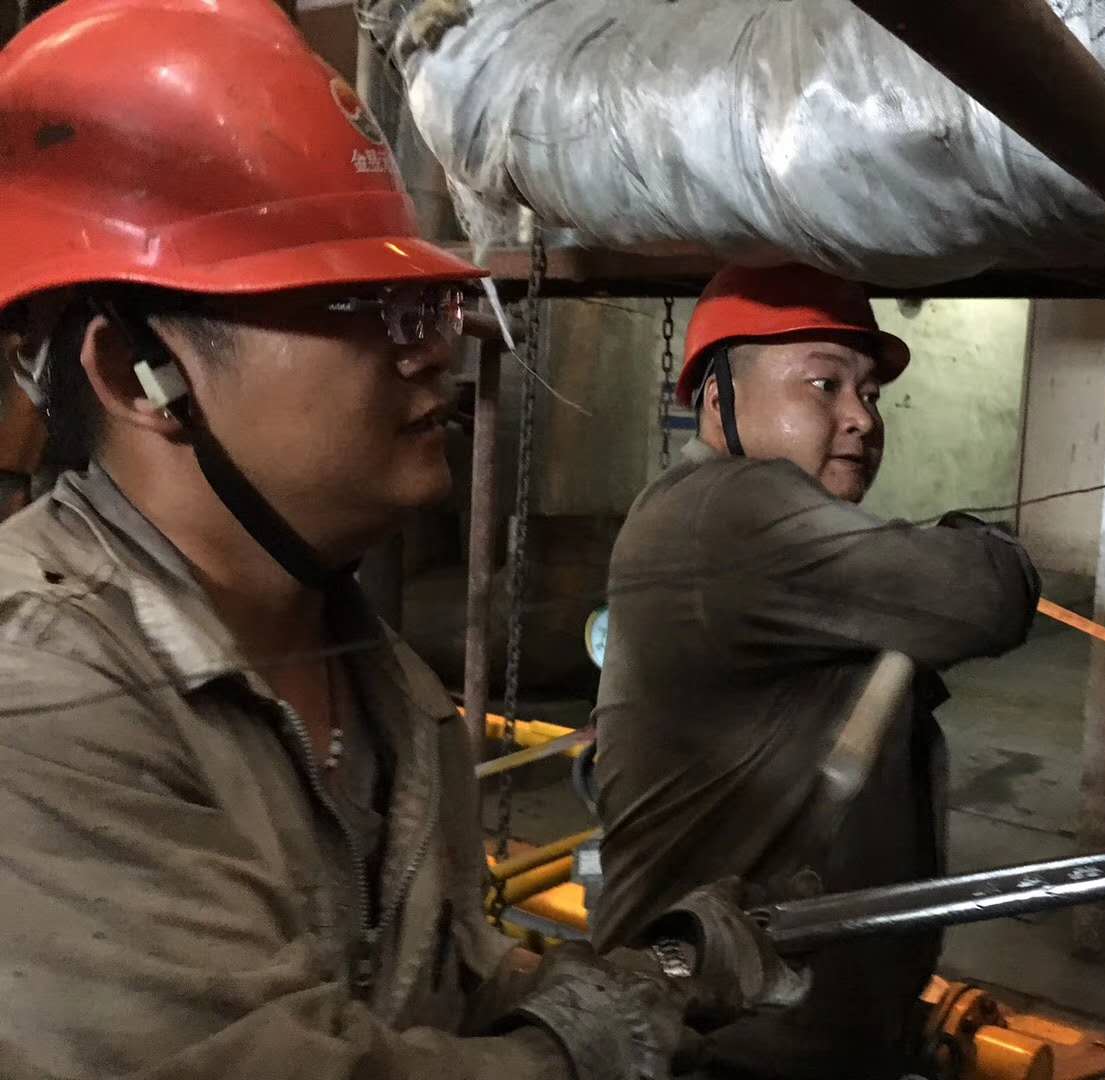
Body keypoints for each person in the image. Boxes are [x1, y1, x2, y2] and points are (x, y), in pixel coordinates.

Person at [0, 2, 785, 1077]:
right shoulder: (38, 695)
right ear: (137, 375)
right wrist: (585, 1048)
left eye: (423, 305)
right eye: (358, 303)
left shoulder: (384, 685)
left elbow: (437, 990)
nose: (432, 353)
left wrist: (641, 981)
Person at [591, 264, 1042, 1079]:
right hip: (728, 1048)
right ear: (719, 396)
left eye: (869, 393)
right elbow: (984, 598)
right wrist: (989, 543)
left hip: (786, 1028)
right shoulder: (727, 506)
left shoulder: (721, 514)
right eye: (824, 385)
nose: (861, 418)